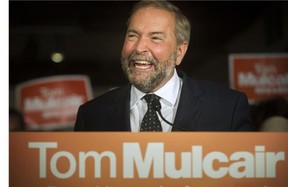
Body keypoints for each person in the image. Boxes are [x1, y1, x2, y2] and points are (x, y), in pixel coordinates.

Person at [74, 0, 254, 132]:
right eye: (133, 36)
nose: (138, 47)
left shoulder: (228, 108)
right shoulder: (91, 116)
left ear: (179, 52)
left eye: (155, 38)